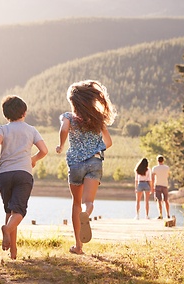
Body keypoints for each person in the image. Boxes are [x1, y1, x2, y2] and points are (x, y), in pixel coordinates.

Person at [55, 80, 117, 255]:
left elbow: (64, 129)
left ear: (73, 102)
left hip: (75, 163)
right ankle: (86, 213)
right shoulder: (97, 119)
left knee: (76, 203)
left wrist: (60, 145)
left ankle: (78, 246)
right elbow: (109, 142)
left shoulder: (68, 117)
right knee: (87, 202)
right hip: (94, 163)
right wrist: (96, 149)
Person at [0, 95, 48, 260]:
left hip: (4, 174)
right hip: (23, 173)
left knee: (9, 211)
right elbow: (44, 150)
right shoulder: (31, 130)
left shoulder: (2, 129)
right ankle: (6, 231)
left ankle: (13, 252)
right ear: (24, 112)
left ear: (6, 114)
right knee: (18, 211)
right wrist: (33, 159)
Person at [152, 155, 171, 219]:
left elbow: (153, 178)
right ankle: (168, 214)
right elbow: (168, 175)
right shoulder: (167, 168)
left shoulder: (155, 168)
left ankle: (160, 214)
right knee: (166, 200)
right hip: (165, 185)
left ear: (157, 161)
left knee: (159, 200)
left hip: (157, 185)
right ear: (163, 160)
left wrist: (152, 186)